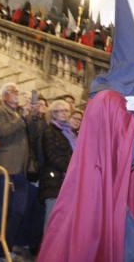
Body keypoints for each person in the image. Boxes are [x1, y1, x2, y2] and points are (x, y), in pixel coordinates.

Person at [38, 0, 134, 262]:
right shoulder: (112, 102)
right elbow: (126, 152)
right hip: (103, 193)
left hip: (97, 188)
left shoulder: (106, 97)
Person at [0, 83, 31, 256]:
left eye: (17, 92)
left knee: (18, 211)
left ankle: (8, 245)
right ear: (5, 95)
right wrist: (21, 118)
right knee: (3, 211)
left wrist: (30, 116)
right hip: (6, 168)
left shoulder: (20, 113)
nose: (17, 94)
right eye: (13, 92)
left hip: (21, 169)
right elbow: (2, 131)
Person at [39, 99, 75, 230]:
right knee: (52, 219)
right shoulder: (50, 131)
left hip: (68, 180)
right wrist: (71, 169)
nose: (63, 113)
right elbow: (52, 156)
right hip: (54, 180)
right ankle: (48, 250)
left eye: (66, 110)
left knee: (66, 221)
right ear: (53, 114)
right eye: (59, 111)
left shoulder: (70, 132)